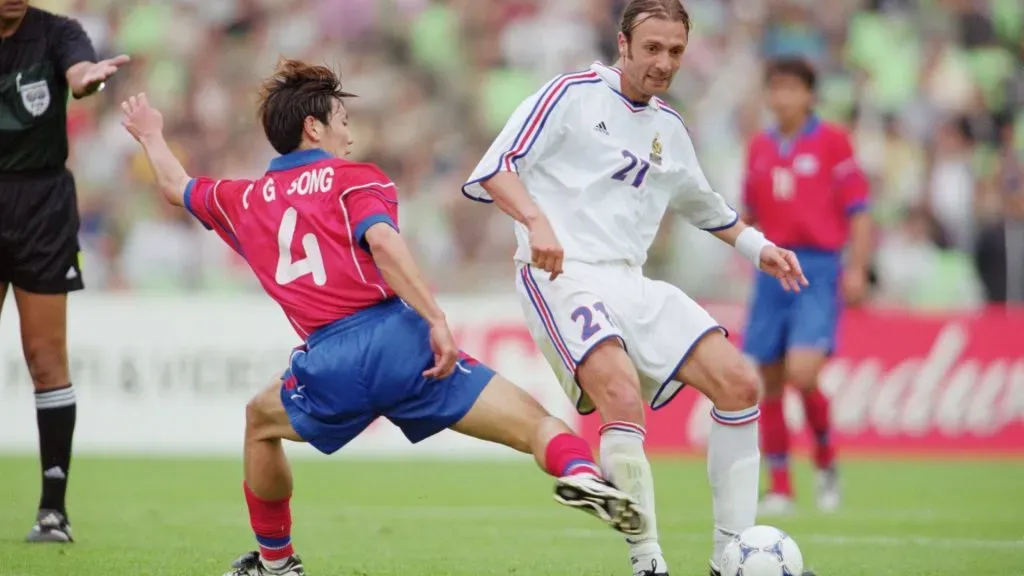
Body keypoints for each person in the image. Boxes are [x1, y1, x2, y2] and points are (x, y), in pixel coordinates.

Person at [120, 58, 644, 576]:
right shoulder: (355, 179)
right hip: (402, 343)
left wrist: (151, 134)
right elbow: (384, 242)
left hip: (329, 360)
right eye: (343, 122)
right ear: (313, 127)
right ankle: (581, 472)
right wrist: (436, 318)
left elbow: (175, 185)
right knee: (534, 423)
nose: (350, 135)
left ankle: (276, 564)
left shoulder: (243, 198)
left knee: (260, 424)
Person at [462, 1, 810, 575]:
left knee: (740, 382)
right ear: (622, 44)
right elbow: (495, 168)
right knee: (620, 394)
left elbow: (706, 206)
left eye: (675, 50)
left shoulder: (669, 128)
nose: (664, 61)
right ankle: (648, 562)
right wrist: (536, 220)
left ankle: (731, 556)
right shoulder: (570, 95)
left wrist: (759, 248)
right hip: (561, 273)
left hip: (631, 279)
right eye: (652, 48)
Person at [0, 0, 129, 543]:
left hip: (41, 204)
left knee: (46, 356)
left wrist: (89, 80)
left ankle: (53, 511)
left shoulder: (58, 32)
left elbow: (79, 75)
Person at [741, 57, 872, 516]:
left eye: (792, 88)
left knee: (803, 372)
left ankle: (825, 460)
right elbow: (750, 214)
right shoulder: (758, 146)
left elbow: (859, 211)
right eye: (775, 88)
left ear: (809, 94)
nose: (782, 97)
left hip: (815, 269)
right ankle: (780, 487)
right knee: (769, 382)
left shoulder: (834, 141)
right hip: (771, 268)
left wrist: (856, 268)